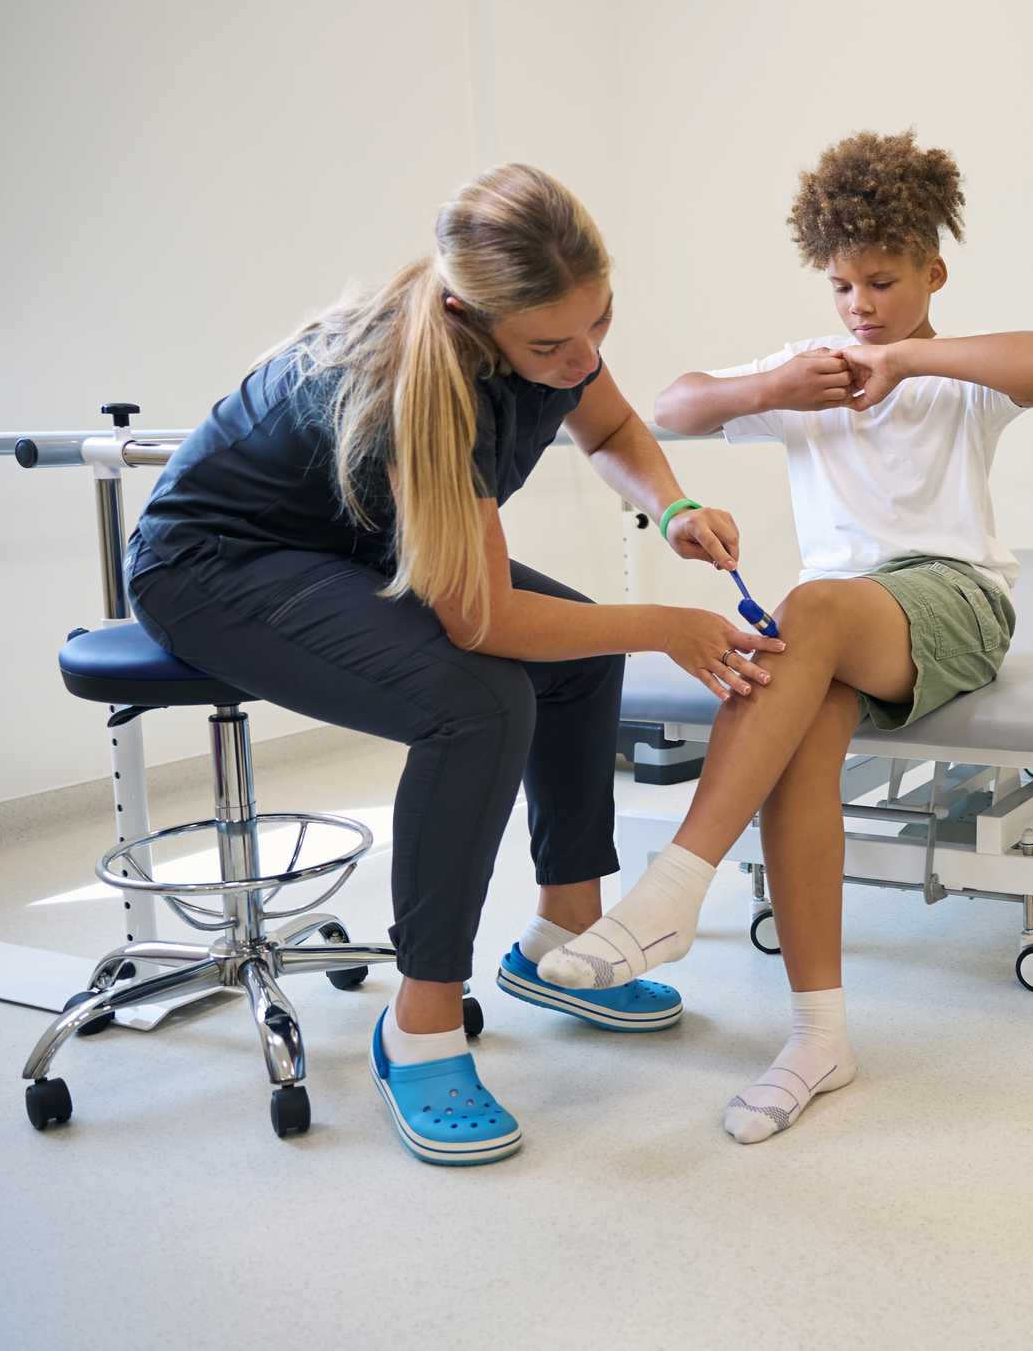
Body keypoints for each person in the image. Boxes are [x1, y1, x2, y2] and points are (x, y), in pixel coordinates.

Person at [126, 164, 779, 1165]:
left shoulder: (553, 334)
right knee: (477, 703)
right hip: (214, 565)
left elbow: (608, 423)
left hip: (347, 542)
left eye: (599, 323)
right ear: (474, 318)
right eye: (551, 346)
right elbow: (481, 623)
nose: (582, 357)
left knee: (579, 651)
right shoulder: (422, 383)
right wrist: (664, 625)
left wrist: (673, 506)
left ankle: (562, 940)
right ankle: (420, 1024)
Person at [539, 130, 1033, 1143]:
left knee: (812, 605)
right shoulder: (807, 377)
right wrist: (771, 389)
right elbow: (671, 405)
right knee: (799, 742)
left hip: (954, 600)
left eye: (882, 282)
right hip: (846, 626)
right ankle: (818, 1035)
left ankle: (673, 889)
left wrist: (901, 360)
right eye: (841, 286)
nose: (859, 306)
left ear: (932, 274)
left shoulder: (956, 380)